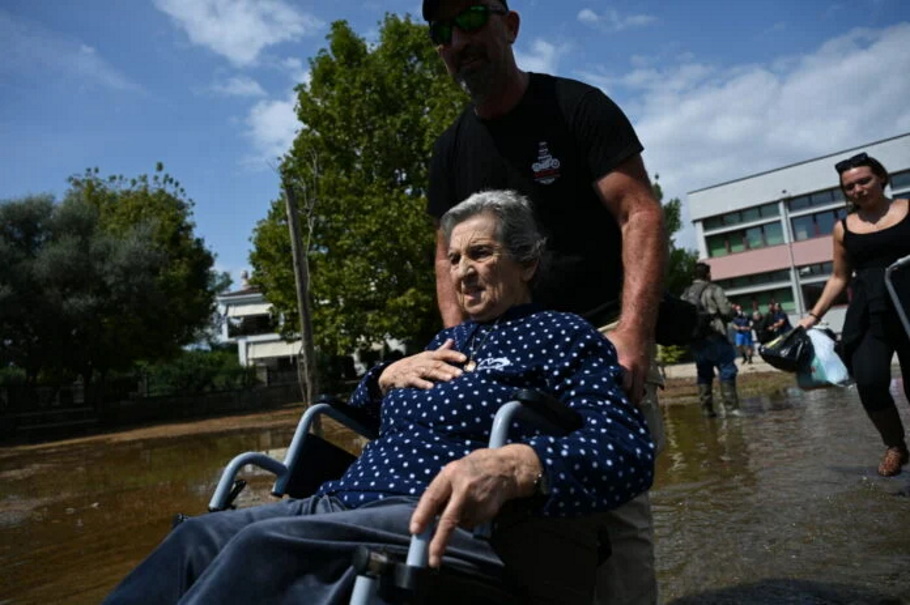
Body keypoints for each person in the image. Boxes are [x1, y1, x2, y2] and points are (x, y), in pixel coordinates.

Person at [103, 191, 654, 604]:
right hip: (344, 497)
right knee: (197, 537)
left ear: (527, 261)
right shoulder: (443, 341)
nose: (463, 271)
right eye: (454, 258)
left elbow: (626, 448)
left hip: (435, 515)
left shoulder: (562, 334)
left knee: (265, 550)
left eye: (480, 253)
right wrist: (384, 375)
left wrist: (516, 464)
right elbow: (356, 410)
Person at [421, 2, 667, 602]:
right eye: (442, 31)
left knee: (618, 506)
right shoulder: (450, 150)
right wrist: (457, 347)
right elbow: (442, 256)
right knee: (511, 506)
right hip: (504, 352)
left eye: (472, 17)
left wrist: (631, 334)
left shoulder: (577, 107)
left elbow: (640, 212)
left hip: (596, 333)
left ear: (509, 25)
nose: (459, 38)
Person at [798, 152, 910, 477]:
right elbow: (838, 277)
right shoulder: (843, 228)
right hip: (870, 311)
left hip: (908, 304)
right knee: (871, 380)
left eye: (864, 181)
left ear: (881, 178)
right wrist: (813, 316)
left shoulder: (907, 210)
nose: (859, 189)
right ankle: (896, 445)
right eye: (850, 187)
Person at [682, 263, 742, 418]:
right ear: (708, 274)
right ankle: (732, 410)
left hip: (696, 340)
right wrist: (733, 311)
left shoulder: (686, 293)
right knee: (727, 369)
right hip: (716, 336)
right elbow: (726, 312)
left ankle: (707, 411)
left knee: (703, 374)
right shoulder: (714, 289)